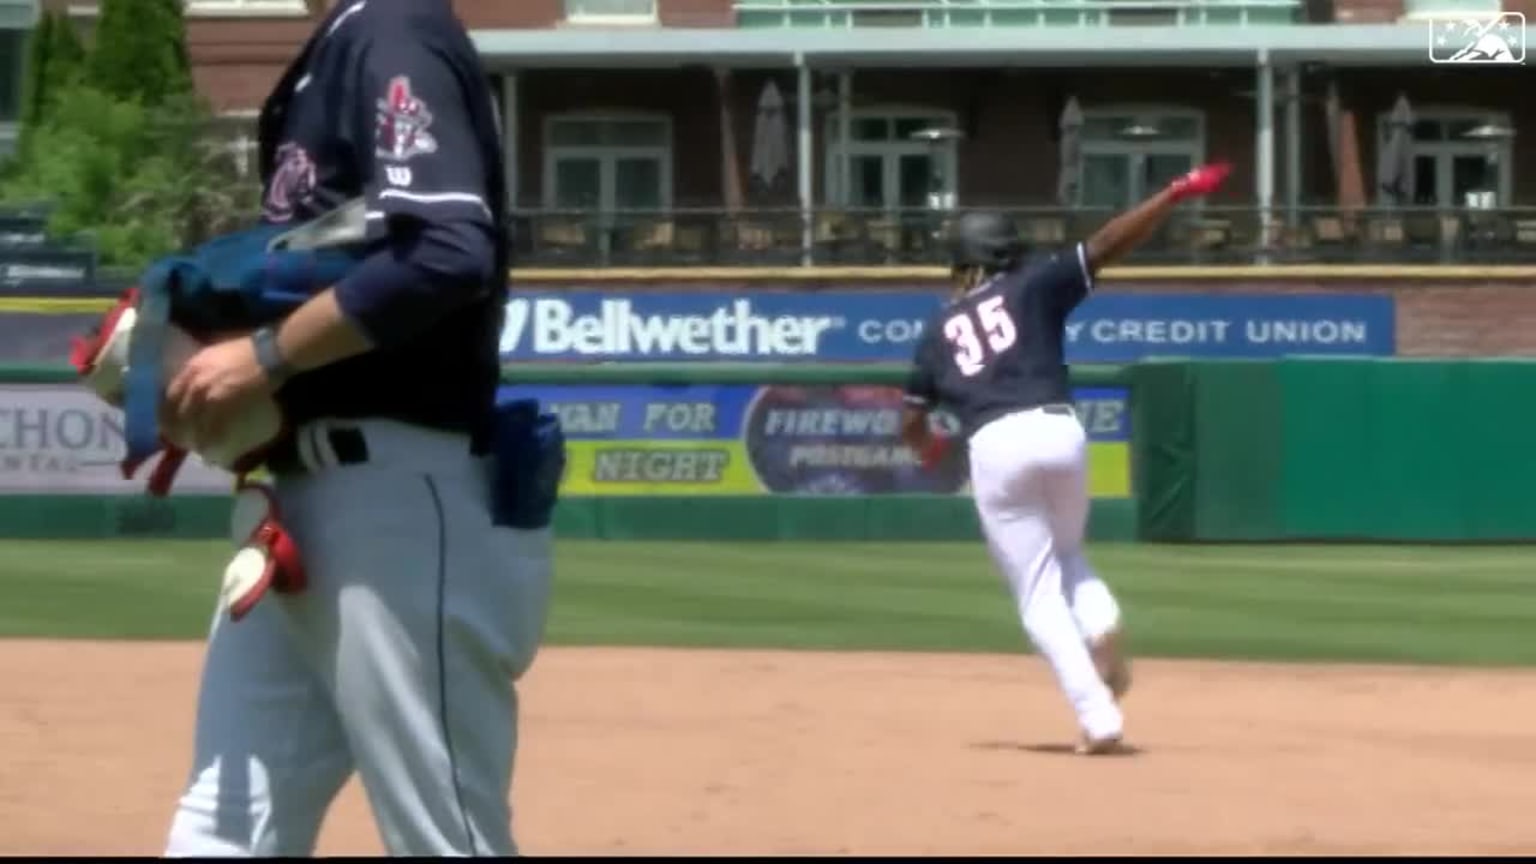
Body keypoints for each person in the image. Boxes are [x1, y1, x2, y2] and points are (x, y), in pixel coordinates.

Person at [159, 0, 555, 855]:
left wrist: (264, 356)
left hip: (396, 501)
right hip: (298, 509)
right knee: (225, 827)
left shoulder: (395, 26)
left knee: (443, 835)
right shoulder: (337, 47)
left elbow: (448, 250)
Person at [899, 163, 1231, 754]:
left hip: (995, 444)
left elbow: (910, 420)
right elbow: (1107, 243)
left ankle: (1098, 715)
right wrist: (1173, 193)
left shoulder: (937, 328)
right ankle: (1100, 622)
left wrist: (931, 450)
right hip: (1060, 431)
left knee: (1036, 592)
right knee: (1068, 553)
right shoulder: (1033, 284)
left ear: (962, 260)